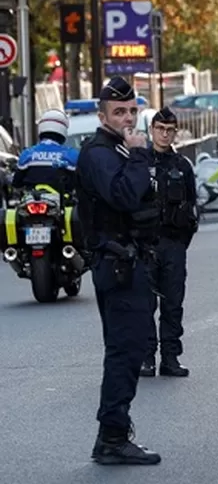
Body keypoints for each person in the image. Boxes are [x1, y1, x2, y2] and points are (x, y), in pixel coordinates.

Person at [77, 77, 162, 465]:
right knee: (125, 353)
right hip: (117, 265)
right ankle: (112, 437)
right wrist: (141, 157)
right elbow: (125, 196)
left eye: (132, 111)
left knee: (128, 350)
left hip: (132, 262)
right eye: (119, 112)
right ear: (103, 115)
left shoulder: (120, 149)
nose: (128, 118)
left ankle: (112, 434)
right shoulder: (100, 153)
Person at [141, 107, 198, 378]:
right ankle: (146, 358)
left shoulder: (182, 166)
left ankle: (171, 358)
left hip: (174, 243)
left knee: (173, 304)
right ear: (151, 130)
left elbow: (192, 207)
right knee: (145, 303)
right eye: (160, 129)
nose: (164, 134)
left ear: (175, 132)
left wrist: (180, 243)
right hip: (146, 244)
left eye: (170, 130)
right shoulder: (139, 163)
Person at [13, 109, 79, 195]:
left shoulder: (27, 154)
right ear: (63, 130)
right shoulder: (72, 155)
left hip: (31, 201)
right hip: (62, 203)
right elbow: (80, 182)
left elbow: (16, 183)